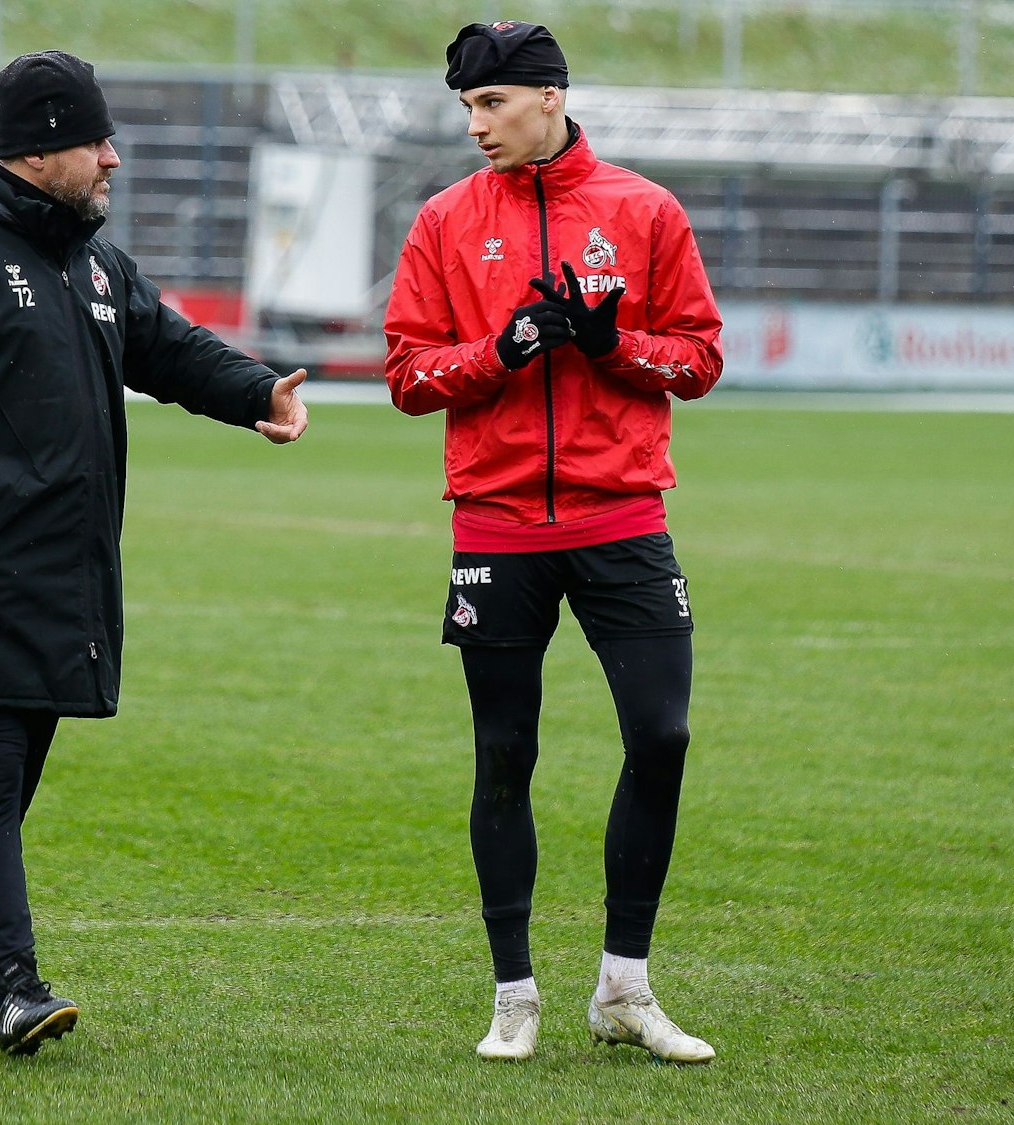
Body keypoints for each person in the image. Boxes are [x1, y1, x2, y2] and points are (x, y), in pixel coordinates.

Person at [0, 50, 309, 1057]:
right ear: (39, 150)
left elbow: (162, 344)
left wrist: (254, 390)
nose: (112, 160)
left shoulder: (89, 258)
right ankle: (15, 986)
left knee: (4, 788)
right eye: (95, 143)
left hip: (60, 570)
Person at [382, 21, 724, 1064]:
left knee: (659, 739)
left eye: (488, 105)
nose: (474, 126)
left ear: (546, 96)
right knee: (504, 756)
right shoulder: (443, 221)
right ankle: (513, 997)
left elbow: (700, 361)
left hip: (622, 520)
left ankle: (624, 989)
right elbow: (405, 376)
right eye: (465, 109)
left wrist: (609, 343)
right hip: (495, 528)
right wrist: (507, 347)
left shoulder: (643, 210)